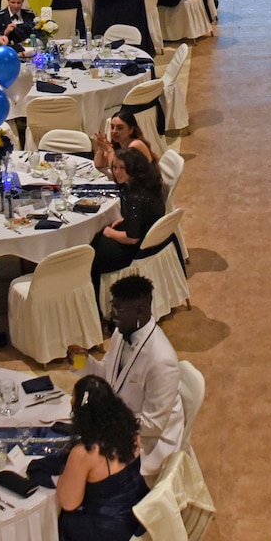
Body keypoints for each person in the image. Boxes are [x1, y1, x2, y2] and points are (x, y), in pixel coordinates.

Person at [73, 275, 185, 479]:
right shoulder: (121, 333)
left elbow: (153, 425)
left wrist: (107, 418)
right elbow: (107, 379)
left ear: (140, 311)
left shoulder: (162, 360)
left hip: (148, 445)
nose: (112, 315)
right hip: (122, 427)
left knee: (84, 465)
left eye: (119, 310)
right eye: (112, 306)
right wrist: (81, 362)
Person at [38, 376, 148, 541]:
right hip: (136, 514)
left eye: (73, 399)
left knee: (51, 525)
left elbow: (69, 503)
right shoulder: (131, 430)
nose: (71, 403)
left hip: (108, 531)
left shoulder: (85, 453)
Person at [90, 148, 165, 298]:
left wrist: (110, 233)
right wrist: (126, 220)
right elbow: (144, 214)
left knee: (90, 253)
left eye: (122, 168)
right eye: (115, 167)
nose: (117, 172)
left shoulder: (134, 195)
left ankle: (96, 302)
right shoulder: (146, 184)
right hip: (149, 235)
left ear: (134, 168)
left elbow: (132, 238)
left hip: (136, 247)